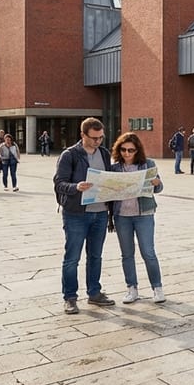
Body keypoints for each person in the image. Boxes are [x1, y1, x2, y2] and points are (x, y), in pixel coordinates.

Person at [54, 117, 115, 314]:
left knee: (95, 256)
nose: (98, 141)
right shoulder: (70, 155)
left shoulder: (105, 154)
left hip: (100, 212)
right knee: (72, 257)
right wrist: (76, 187)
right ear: (83, 135)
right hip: (76, 214)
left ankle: (94, 293)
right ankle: (70, 298)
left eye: (101, 138)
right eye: (94, 138)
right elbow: (59, 183)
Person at [109, 132, 165, 304]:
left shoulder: (148, 164)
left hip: (144, 215)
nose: (127, 153)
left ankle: (157, 288)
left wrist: (157, 183)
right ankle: (131, 288)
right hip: (122, 216)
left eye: (131, 150)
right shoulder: (115, 168)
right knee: (127, 254)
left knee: (148, 252)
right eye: (124, 150)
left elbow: (158, 188)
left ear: (137, 150)